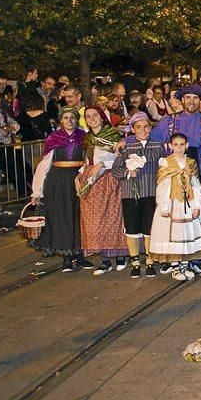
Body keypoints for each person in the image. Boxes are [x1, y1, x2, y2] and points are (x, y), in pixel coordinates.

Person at [31, 107, 88, 271]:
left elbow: (88, 159)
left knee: (79, 216)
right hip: (59, 181)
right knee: (63, 217)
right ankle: (67, 258)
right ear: (61, 120)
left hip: (79, 179)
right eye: (66, 118)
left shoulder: (84, 137)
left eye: (72, 117)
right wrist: (37, 191)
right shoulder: (54, 138)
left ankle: (80, 254)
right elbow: (44, 165)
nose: (69, 121)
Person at [77, 106, 128, 275]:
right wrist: (79, 175)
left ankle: (120, 255)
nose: (92, 119)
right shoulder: (88, 138)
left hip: (108, 178)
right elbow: (87, 160)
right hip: (91, 179)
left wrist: (102, 164)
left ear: (101, 117)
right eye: (88, 116)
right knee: (95, 220)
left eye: (95, 115)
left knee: (112, 217)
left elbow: (119, 157)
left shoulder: (112, 134)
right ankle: (105, 259)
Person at [112, 116, 165, 278]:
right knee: (132, 228)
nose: (143, 130)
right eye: (139, 127)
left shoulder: (158, 146)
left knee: (150, 228)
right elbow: (116, 170)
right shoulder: (127, 146)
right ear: (133, 129)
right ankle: (135, 262)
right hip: (130, 194)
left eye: (146, 127)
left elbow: (163, 167)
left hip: (151, 193)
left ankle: (150, 261)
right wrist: (128, 173)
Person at [148, 132, 201, 281]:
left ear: (186, 146)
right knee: (173, 234)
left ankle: (185, 264)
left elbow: (196, 185)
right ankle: (175, 266)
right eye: (176, 145)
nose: (179, 148)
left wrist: (196, 204)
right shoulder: (166, 162)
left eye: (182, 145)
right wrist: (164, 206)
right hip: (173, 203)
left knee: (187, 232)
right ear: (170, 146)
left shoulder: (190, 162)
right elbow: (163, 185)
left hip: (187, 202)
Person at [152, 85, 201, 172]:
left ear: (200, 101)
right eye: (188, 97)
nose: (192, 101)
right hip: (174, 171)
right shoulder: (169, 121)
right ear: (182, 100)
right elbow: (151, 139)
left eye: (195, 98)